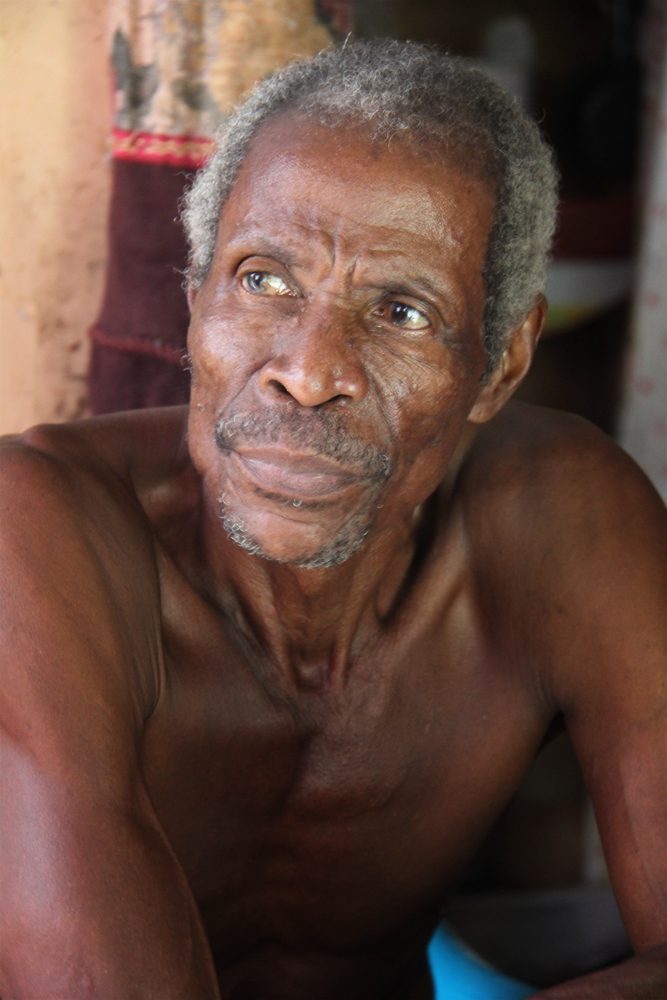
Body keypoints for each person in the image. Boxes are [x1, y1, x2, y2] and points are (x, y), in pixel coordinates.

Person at [1, 40, 665, 1000]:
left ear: (501, 366)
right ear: (193, 308)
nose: (308, 372)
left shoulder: (565, 522)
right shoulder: (42, 532)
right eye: (262, 280)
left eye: (400, 312)